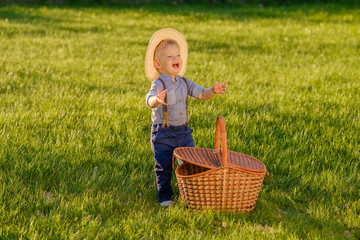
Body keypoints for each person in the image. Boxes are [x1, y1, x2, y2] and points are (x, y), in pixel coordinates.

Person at [145, 28, 227, 207]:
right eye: (170, 57)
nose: (176, 59)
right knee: (164, 166)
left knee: (191, 162)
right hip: (163, 133)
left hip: (183, 132)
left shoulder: (184, 82)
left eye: (178, 55)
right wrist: (157, 100)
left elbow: (200, 94)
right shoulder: (158, 83)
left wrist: (212, 91)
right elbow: (149, 100)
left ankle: (189, 192)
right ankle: (164, 194)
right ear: (158, 64)